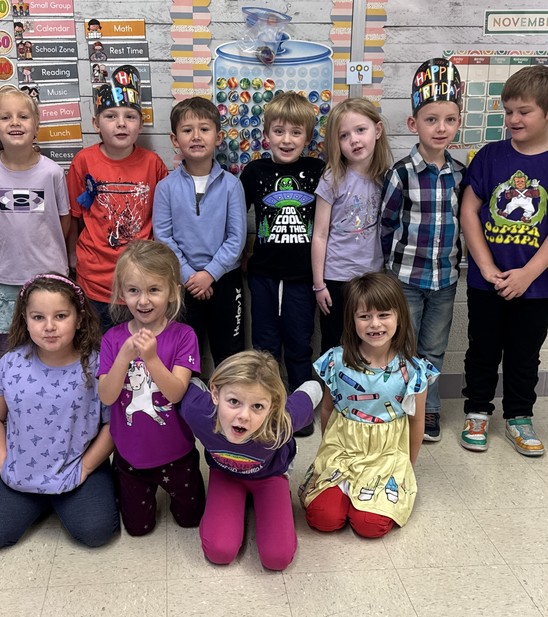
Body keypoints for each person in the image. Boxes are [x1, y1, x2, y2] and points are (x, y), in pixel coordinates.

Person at [458, 65, 548, 456]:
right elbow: (469, 212)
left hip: (537, 285)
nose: (513, 119)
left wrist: (528, 275)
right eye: (508, 110)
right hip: (488, 280)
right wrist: (484, 267)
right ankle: (477, 410)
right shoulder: (489, 156)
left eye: (524, 111)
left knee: (523, 353)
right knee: (482, 349)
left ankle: (519, 416)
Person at [0, 273, 119, 549]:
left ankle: (63, 499)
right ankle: (42, 500)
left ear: (79, 319)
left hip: (77, 467)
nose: (49, 327)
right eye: (38, 317)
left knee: (96, 533)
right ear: (25, 320)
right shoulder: (10, 364)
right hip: (22, 470)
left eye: (61, 316)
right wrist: (3, 464)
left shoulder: (98, 365)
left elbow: (112, 425)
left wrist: (86, 467)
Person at [299, 272, 438, 538]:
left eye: (384, 315)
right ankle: (342, 494)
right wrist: (327, 453)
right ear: (352, 321)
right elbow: (328, 408)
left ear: (399, 317)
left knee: (370, 526)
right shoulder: (336, 361)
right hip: (342, 450)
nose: (375, 324)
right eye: (364, 316)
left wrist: (407, 467)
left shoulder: (413, 370)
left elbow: (416, 421)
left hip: (386, 456)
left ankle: (363, 502)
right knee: (323, 518)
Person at [381, 58, 464, 442]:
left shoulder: (462, 175)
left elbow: (466, 223)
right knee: (404, 346)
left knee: (434, 347)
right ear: (414, 124)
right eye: (431, 119)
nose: (441, 128)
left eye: (449, 119)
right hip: (406, 279)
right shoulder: (400, 173)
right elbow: (387, 224)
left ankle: (428, 411)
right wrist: (389, 269)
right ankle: (400, 408)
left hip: (445, 279)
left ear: (458, 122)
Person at [98, 240, 206, 536]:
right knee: (138, 529)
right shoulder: (112, 338)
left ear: (172, 291)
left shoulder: (184, 335)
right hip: (130, 456)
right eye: (133, 291)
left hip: (178, 452)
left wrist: (151, 358)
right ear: (122, 292)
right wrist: (123, 356)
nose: (143, 301)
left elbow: (175, 394)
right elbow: (106, 396)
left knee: (191, 519)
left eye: (153, 290)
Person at [180, 351, 321, 570]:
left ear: (273, 407)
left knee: (277, 558)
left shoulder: (281, 423)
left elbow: (313, 389)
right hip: (225, 474)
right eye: (234, 401)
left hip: (270, 477)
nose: (244, 416)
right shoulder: (197, 411)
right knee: (219, 551)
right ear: (215, 394)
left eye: (257, 406)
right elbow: (187, 383)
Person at [240, 91, 325, 436]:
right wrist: (244, 249)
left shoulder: (319, 170)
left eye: (295, 132)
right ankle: (266, 406)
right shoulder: (254, 171)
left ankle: (300, 409)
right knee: (264, 344)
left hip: (303, 277)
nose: (286, 140)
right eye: (279, 131)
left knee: (300, 343)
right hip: (262, 275)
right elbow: (233, 216)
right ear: (266, 134)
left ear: (308, 136)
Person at [67, 65, 167, 332]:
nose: (121, 123)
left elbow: (162, 223)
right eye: (111, 116)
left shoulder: (153, 164)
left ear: (141, 124)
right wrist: (74, 263)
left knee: (141, 359)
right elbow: (74, 219)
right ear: (96, 124)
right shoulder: (83, 161)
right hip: (95, 283)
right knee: (100, 356)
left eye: (130, 116)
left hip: (141, 284)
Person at [0, 85, 69, 359]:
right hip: (6, 275)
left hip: (49, 274)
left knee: (52, 343)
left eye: (23, 116)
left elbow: (62, 221)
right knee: (10, 349)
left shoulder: (52, 171)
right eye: (5, 117)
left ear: (36, 124)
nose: (15, 123)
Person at [153, 96, 247, 370]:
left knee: (230, 354)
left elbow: (236, 238)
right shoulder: (166, 188)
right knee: (183, 355)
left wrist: (210, 274)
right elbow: (164, 237)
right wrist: (189, 275)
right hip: (183, 285)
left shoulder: (231, 185)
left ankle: (229, 409)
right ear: (174, 139)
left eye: (204, 129)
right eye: (187, 130)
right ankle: (185, 409)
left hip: (225, 282)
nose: (196, 136)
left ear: (218, 137)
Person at [313, 97, 392, 354]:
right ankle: (330, 395)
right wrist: (319, 284)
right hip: (337, 278)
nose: (354, 140)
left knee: (369, 344)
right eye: (344, 136)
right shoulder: (332, 177)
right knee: (335, 345)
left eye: (361, 130)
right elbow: (320, 235)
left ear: (377, 131)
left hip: (372, 277)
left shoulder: (386, 178)